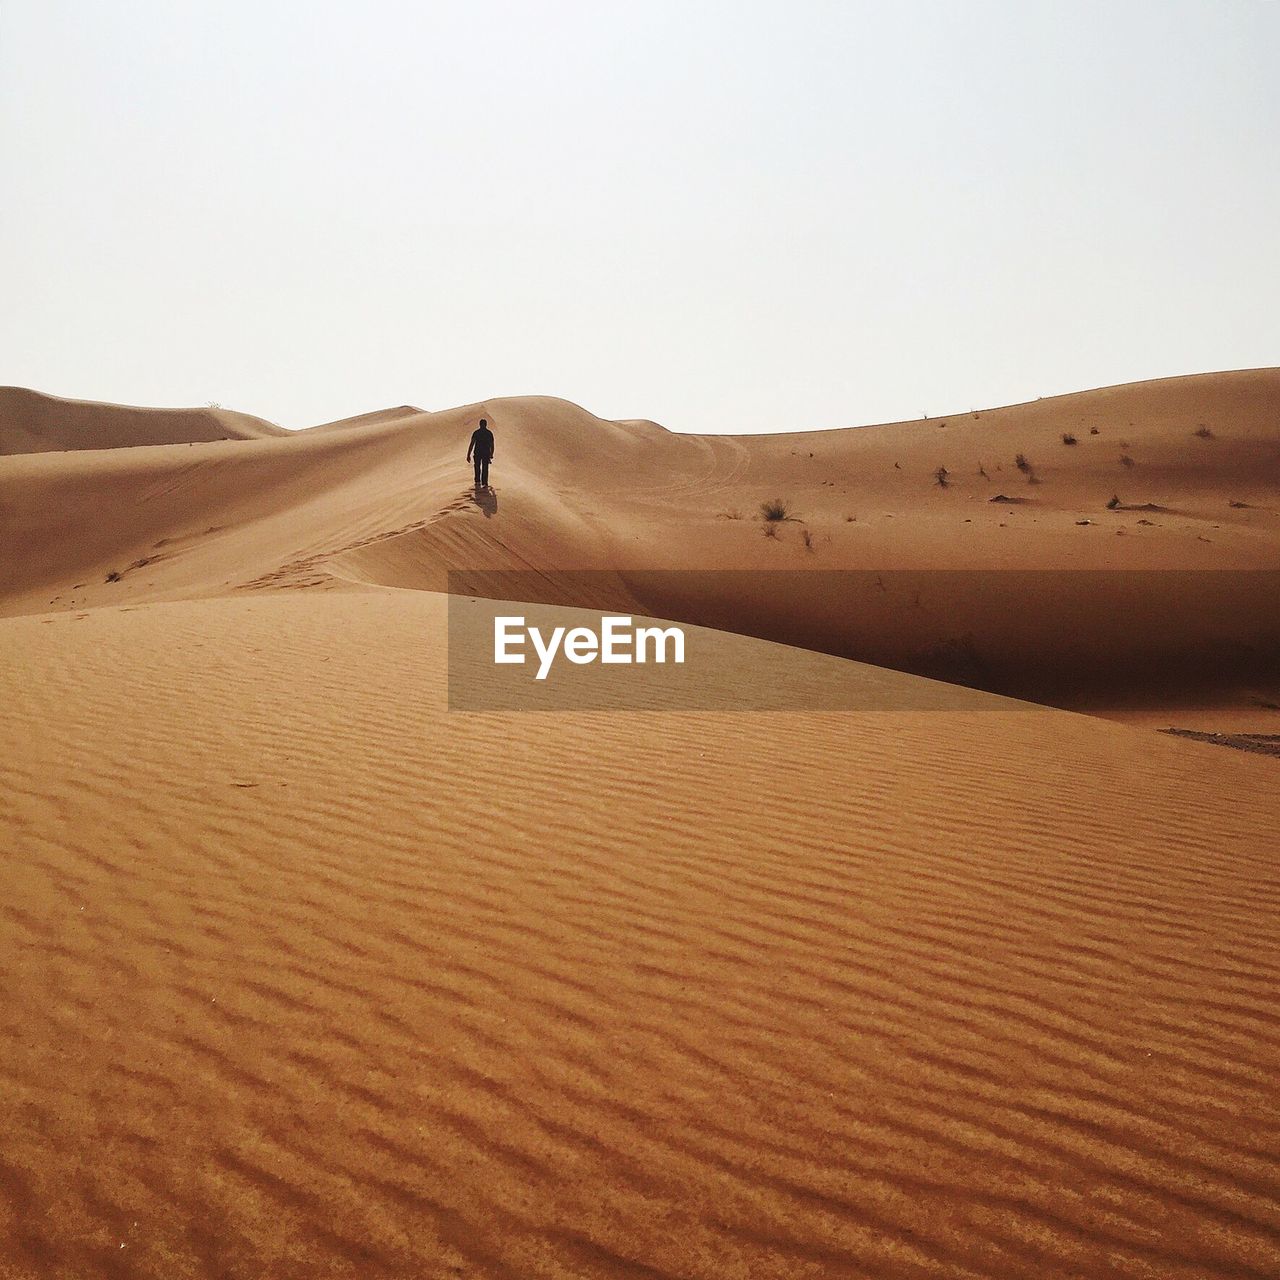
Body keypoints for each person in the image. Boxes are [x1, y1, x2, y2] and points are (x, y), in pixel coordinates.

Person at [466, 418, 495, 488]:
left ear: (480, 424)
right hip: (485, 453)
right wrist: (491, 454)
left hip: (478, 453)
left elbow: (472, 444)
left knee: (477, 467)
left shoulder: (476, 432)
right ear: (486, 424)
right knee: (484, 467)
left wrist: (468, 454)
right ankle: (484, 482)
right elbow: (492, 445)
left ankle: (478, 481)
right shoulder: (489, 433)